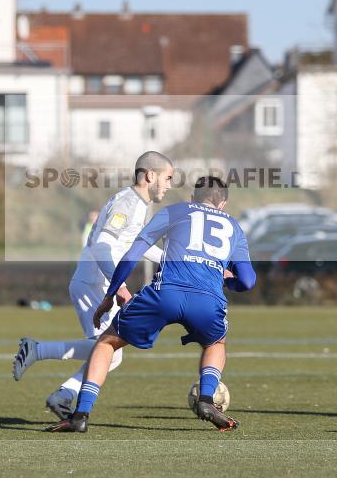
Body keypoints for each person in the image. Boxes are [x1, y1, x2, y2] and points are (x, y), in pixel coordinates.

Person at [46, 176, 256, 434]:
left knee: (107, 343)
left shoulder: (174, 211)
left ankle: (80, 415)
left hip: (164, 293)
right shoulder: (234, 226)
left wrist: (111, 293)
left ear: (192, 198)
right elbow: (247, 280)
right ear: (222, 204)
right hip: (208, 300)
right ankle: (206, 399)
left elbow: (133, 252)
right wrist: (227, 283)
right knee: (215, 343)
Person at [12, 151, 174, 418]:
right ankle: (52, 378)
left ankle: (56, 384)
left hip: (96, 283)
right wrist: (118, 287)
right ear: (150, 176)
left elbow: (138, 246)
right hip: (92, 283)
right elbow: (102, 247)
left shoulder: (136, 204)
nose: (169, 185)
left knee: (109, 349)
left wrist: (179, 261)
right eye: (167, 178)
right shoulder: (128, 203)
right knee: (109, 349)